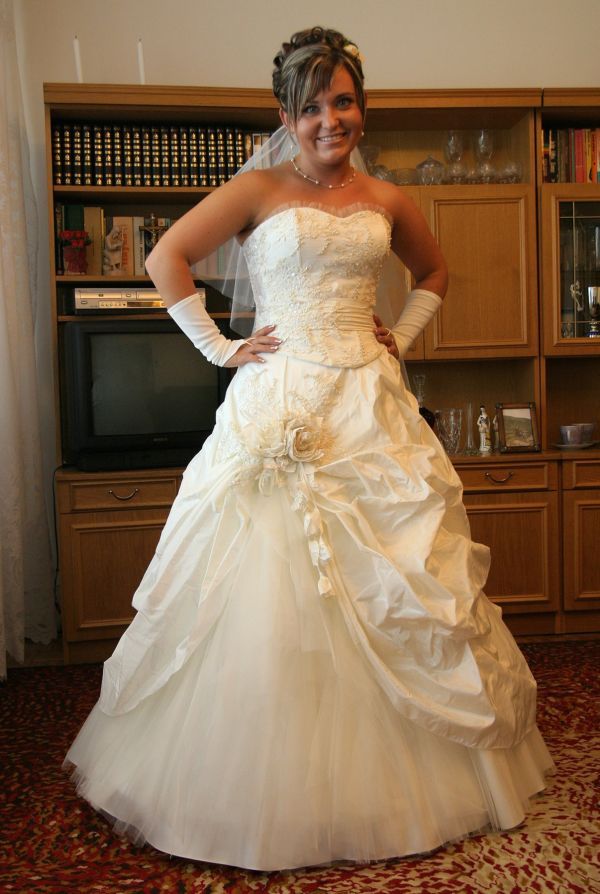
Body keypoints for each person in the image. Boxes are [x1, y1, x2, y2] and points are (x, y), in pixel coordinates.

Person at [65, 26, 554, 871]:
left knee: (397, 578)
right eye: (312, 106)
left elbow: (434, 273)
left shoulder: (389, 197)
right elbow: (166, 256)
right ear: (287, 116)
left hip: (370, 404)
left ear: (362, 106)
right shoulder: (257, 188)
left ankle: (397, 784)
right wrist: (221, 349)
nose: (331, 119)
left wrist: (402, 335)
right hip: (282, 396)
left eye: (344, 101)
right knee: (267, 587)